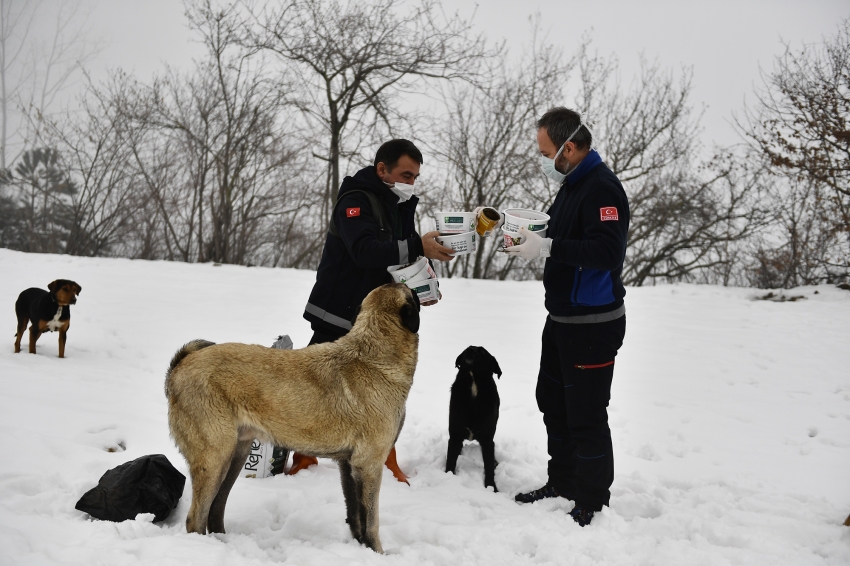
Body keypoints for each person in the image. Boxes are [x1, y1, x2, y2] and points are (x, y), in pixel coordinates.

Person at [289, 138, 454, 479]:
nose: (411, 183)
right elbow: (365, 251)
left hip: (380, 319)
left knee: (385, 390)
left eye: (415, 177)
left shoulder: (400, 206)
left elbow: (400, 261)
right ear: (382, 169)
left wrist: (422, 285)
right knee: (316, 387)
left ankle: (383, 456)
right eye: (406, 175)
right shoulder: (355, 201)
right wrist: (415, 245)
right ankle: (304, 458)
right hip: (338, 312)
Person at [504, 107, 629, 527]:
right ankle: (563, 481)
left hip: (593, 324)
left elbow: (607, 252)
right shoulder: (572, 185)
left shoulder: (602, 189)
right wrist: (527, 239)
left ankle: (592, 499)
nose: (542, 160)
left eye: (545, 152)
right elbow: (557, 234)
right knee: (553, 403)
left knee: (587, 414)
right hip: (561, 319)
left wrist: (549, 248)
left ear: (569, 148)